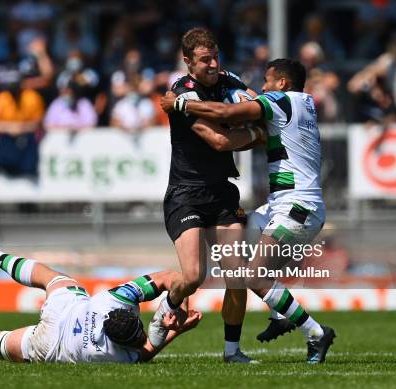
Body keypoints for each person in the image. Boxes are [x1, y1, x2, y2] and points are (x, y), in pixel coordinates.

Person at [161, 58, 336, 363]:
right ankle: (278, 313)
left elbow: (227, 112)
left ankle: (316, 332)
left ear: (282, 83)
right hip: (282, 206)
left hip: (297, 208)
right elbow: (248, 103)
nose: (263, 88)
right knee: (245, 239)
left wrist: (180, 105)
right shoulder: (303, 102)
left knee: (253, 276)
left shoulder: (279, 101)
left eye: (268, 81)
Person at [0, 235, 202, 363]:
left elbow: (164, 277)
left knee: (52, 278)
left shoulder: (112, 303)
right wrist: (174, 318)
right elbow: (146, 351)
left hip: (69, 313)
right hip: (51, 346)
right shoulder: (113, 356)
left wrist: (173, 303)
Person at [149, 27, 261, 363]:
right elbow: (220, 142)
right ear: (188, 62)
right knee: (195, 276)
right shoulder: (181, 94)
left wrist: (251, 122)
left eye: (215, 57)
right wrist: (255, 133)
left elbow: (258, 104)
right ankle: (167, 306)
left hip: (222, 192)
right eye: (204, 59)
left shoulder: (228, 80)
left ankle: (232, 351)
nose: (213, 64)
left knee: (236, 273)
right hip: (186, 194)